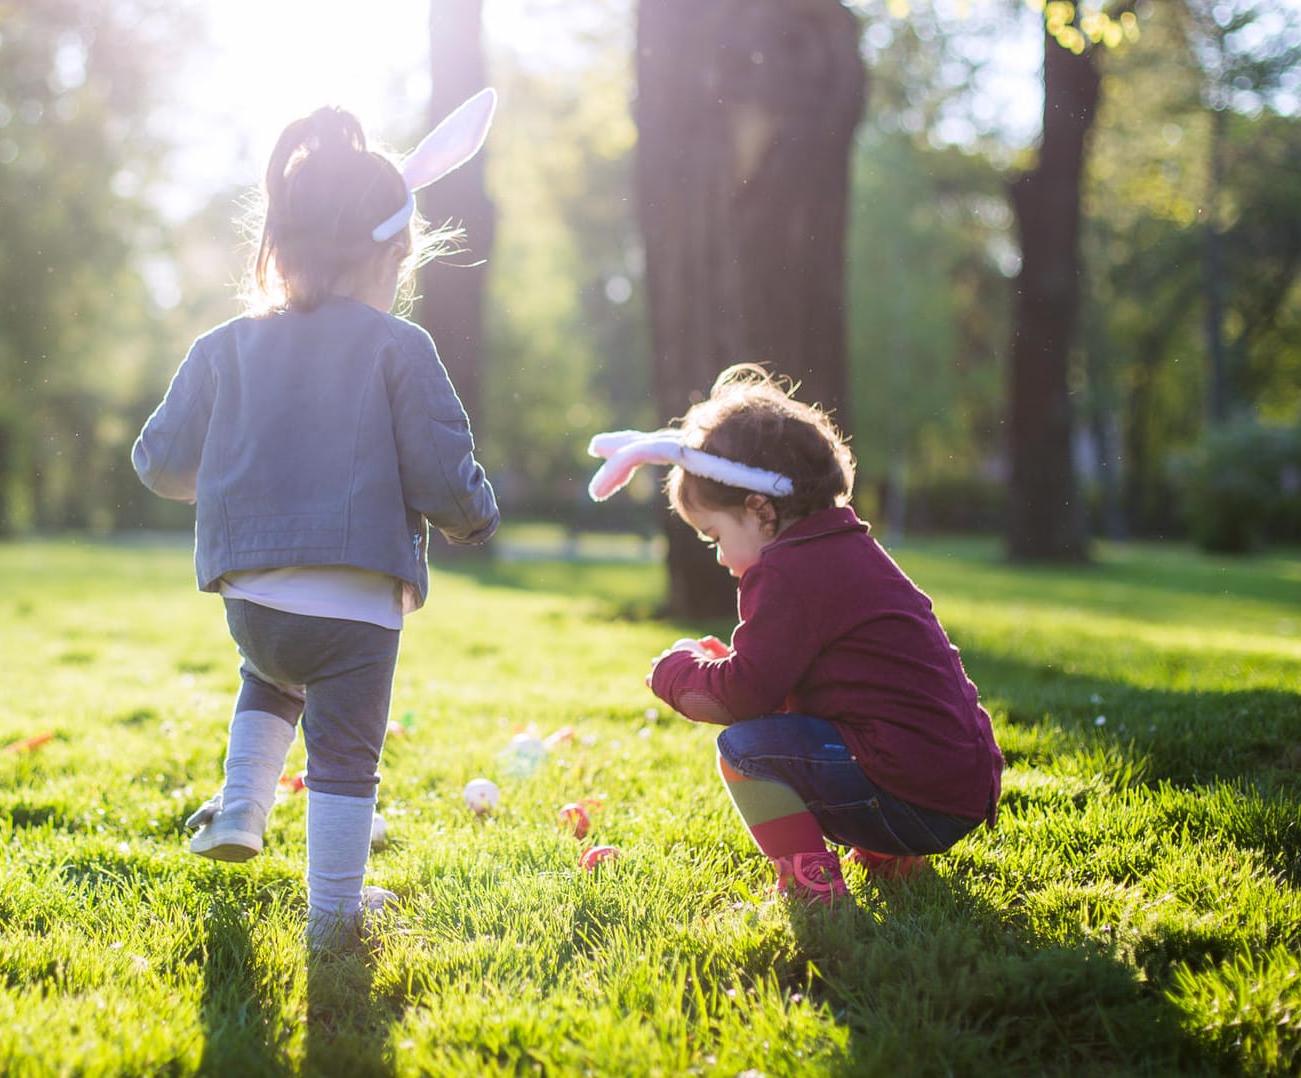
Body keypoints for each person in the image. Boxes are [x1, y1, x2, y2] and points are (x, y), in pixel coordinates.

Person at [132, 99, 500, 948]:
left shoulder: (223, 345)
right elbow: (442, 471)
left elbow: (157, 461)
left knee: (268, 679)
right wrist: (473, 521)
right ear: (391, 253)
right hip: (357, 608)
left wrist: (217, 482)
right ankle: (334, 917)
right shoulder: (398, 346)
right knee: (343, 758)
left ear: (281, 242)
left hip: (252, 604)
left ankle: (241, 809)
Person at [585, 365, 1003, 905]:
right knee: (799, 731)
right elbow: (827, 677)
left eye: (714, 535)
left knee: (744, 751)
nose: (717, 555)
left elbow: (744, 696)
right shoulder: (841, 547)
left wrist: (676, 675)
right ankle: (889, 855)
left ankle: (811, 885)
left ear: (760, 510)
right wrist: (734, 663)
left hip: (912, 797)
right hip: (954, 786)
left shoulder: (786, 570)